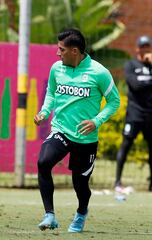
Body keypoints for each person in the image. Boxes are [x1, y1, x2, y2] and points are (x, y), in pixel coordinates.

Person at [34, 28, 120, 233]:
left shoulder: (99, 72)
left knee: (80, 184)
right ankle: (50, 215)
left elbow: (114, 102)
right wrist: (44, 112)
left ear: (74, 51)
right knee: (43, 162)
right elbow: (52, 93)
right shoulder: (56, 69)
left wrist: (96, 121)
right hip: (61, 130)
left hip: (86, 138)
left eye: (61, 49)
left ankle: (81, 213)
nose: (57, 53)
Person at [115, 35, 152, 193]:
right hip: (135, 113)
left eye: (147, 47)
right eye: (142, 47)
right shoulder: (130, 65)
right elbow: (135, 85)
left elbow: (141, 83)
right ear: (137, 48)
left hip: (150, 115)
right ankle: (117, 181)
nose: (145, 50)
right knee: (126, 145)